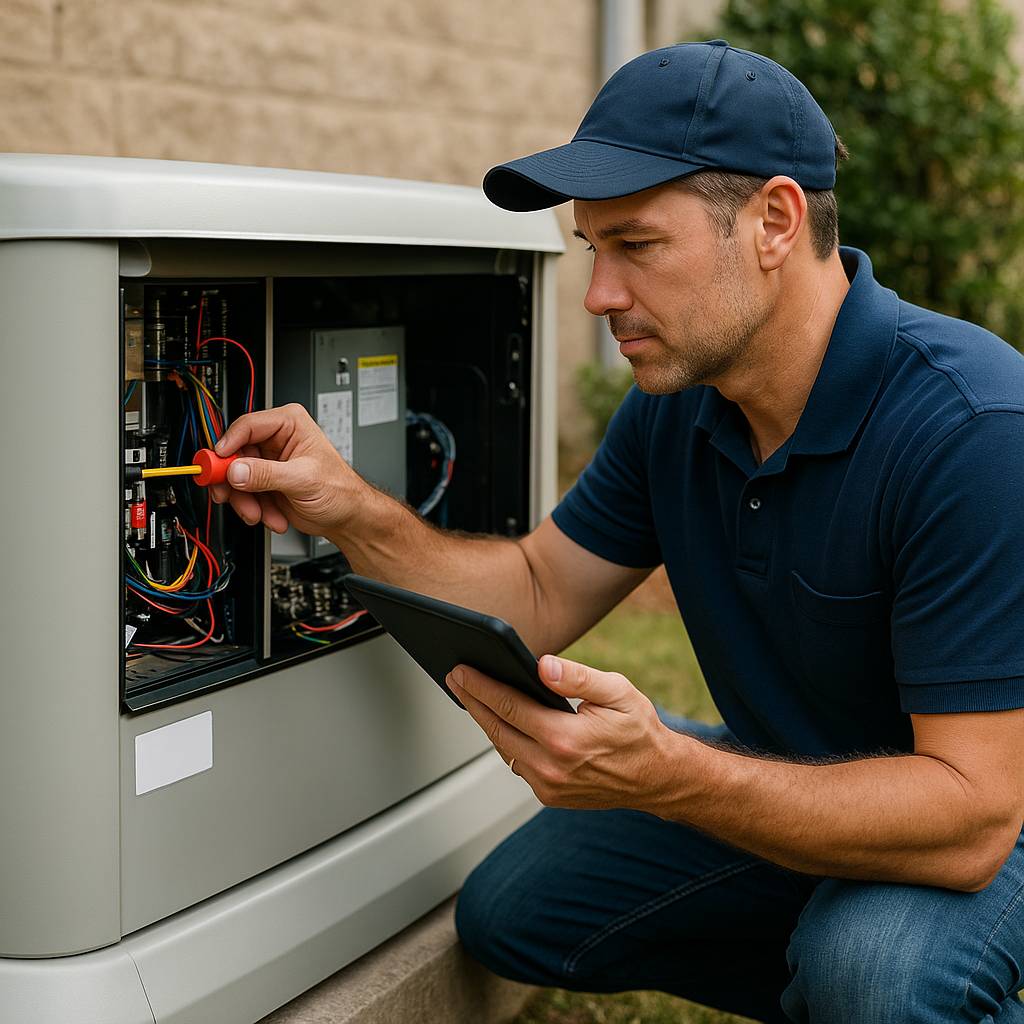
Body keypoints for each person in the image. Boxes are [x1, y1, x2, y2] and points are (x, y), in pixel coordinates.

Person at [211, 40, 1024, 1024]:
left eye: (636, 245)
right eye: (593, 248)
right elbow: (537, 594)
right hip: (820, 773)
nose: (598, 294)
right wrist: (350, 507)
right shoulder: (678, 407)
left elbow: (973, 817)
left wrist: (675, 775)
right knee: (517, 912)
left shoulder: (973, 431)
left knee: (873, 973)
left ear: (774, 221)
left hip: (992, 812)